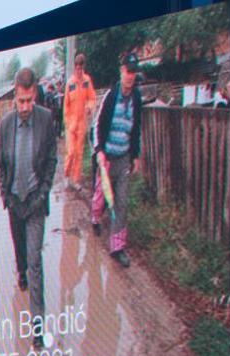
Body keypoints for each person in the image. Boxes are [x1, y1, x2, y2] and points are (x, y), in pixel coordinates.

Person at [0, 67, 59, 350]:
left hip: (34, 201)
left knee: (35, 260)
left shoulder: (45, 120)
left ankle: (37, 327)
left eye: (29, 101)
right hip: (15, 203)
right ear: (14, 96)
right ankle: (19, 272)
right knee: (21, 254)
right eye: (20, 101)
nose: (24, 107)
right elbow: (0, 164)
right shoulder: (6, 124)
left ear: (34, 95)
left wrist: (42, 193)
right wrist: (5, 194)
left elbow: (51, 162)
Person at [91, 52, 146, 268]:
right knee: (101, 196)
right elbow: (97, 125)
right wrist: (99, 151)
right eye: (127, 71)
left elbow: (137, 129)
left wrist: (135, 156)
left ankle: (117, 247)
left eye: (133, 72)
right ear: (121, 71)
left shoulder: (137, 98)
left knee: (121, 202)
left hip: (123, 157)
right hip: (107, 158)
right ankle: (95, 218)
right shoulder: (111, 96)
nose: (130, 76)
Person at [62, 53, 97, 190]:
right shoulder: (70, 83)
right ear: (74, 67)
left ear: (83, 67)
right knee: (70, 152)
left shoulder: (87, 81)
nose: (78, 71)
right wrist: (67, 122)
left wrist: (89, 107)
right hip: (71, 125)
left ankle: (76, 180)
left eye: (81, 68)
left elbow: (92, 98)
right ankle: (66, 175)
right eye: (76, 68)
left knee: (79, 153)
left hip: (82, 124)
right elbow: (66, 105)